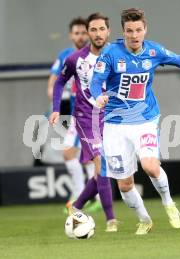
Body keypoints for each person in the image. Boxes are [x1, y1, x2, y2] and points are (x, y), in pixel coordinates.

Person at [90, 8, 180, 235]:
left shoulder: (154, 51)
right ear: (123, 32)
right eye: (129, 31)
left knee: (150, 166)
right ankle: (144, 219)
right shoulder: (110, 54)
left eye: (138, 30)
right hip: (115, 125)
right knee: (125, 184)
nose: (134, 35)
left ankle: (168, 202)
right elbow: (96, 81)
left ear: (145, 30)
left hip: (145, 119)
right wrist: (98, 96)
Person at [49, 13, 117, 232]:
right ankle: (110, 220)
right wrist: (57, 109)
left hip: (114, 119)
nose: (97, 34)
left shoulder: (117, 54)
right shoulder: (73, 58)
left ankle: (77, 204)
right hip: (86, 118)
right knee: (100, 166)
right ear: (88, 33)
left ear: (108, 31)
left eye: (101, 29)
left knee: (108, 173)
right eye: (93, 30)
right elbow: (58, 82)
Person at [47, 17, 93, 208]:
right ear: (70, 35)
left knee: (75, 153)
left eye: (84, 33)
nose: (81, 36)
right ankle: (88, 196)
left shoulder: (95, 54)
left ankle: (82, 195)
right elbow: (53, 83)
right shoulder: (66, 55)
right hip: (74, 111)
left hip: (89, 112)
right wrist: (56, 103)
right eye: (77, 33)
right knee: (86, 156)